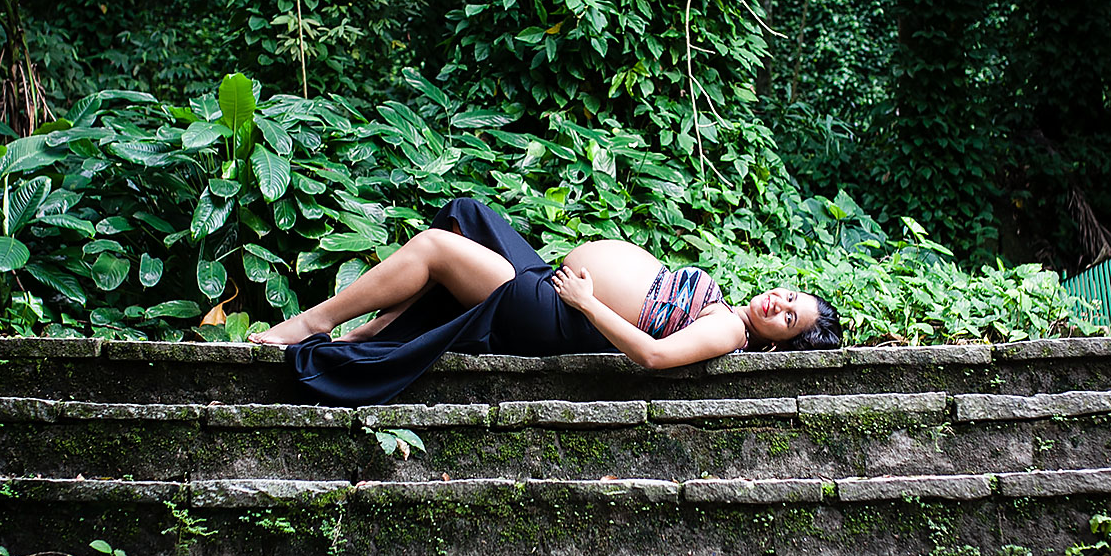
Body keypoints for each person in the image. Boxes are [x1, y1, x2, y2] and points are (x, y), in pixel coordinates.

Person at [251, 198, 842, 405]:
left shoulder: (730, 333)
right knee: (465, 214)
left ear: (780, 342)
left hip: (556, 315)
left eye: (791, 320)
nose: (779, 306)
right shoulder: (727, 303)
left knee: (437, 246)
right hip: (554, 291)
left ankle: (310, 324)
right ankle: (372, 333)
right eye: (789, 297)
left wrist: (587, 303)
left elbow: (655, 357)